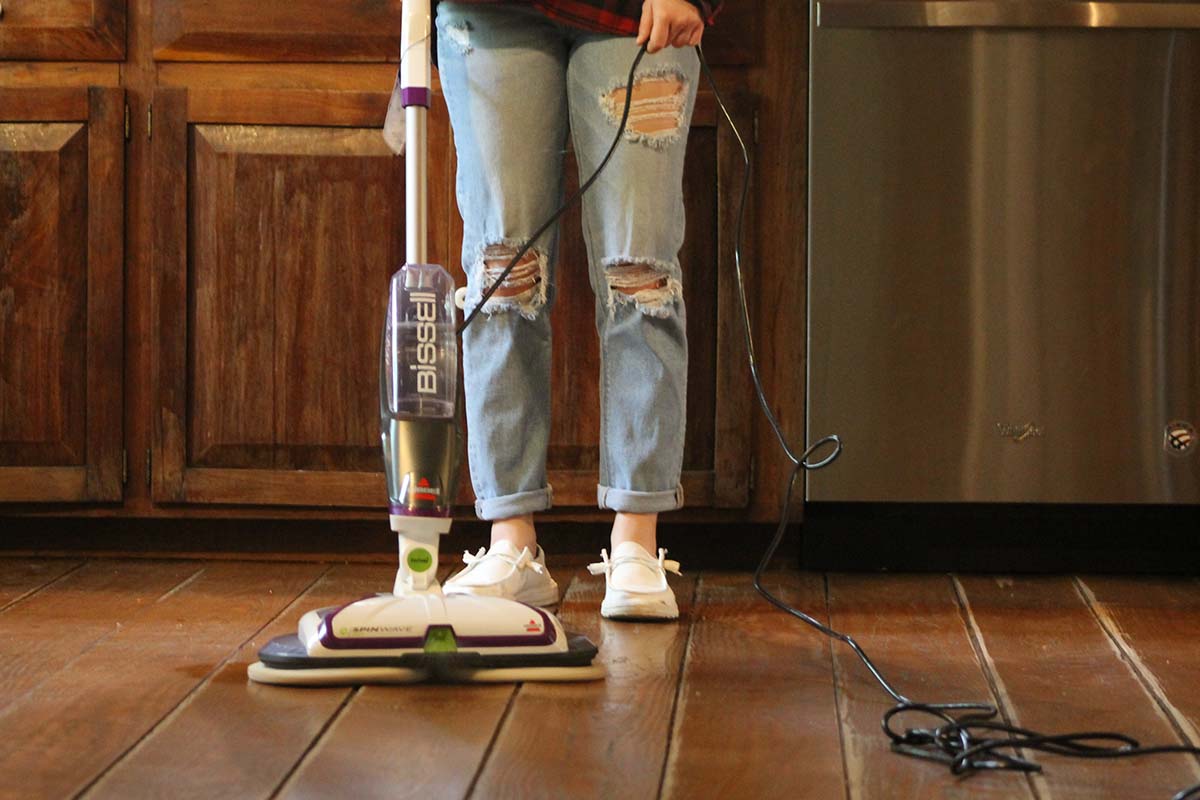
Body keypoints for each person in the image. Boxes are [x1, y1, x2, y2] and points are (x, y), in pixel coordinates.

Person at [424, 0, 723, 620]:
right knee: (503, 274)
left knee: (639, 273)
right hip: (490, 14)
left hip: (637, 13)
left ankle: (637, 542)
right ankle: (512, 542)